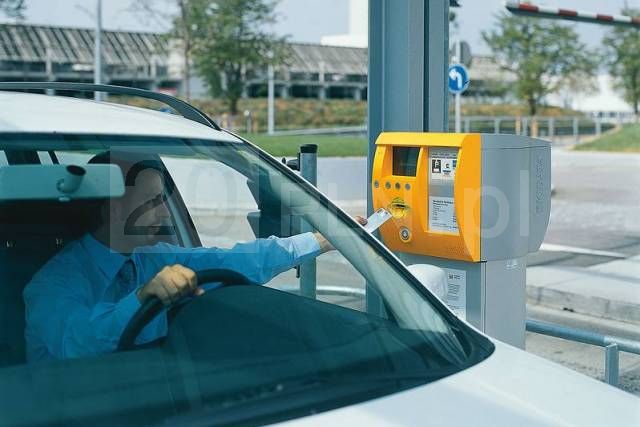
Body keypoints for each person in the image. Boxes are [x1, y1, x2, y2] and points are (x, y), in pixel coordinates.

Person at [24, 151, 365, 362]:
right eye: (153, 201)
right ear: (113, 207)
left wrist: (322, 240)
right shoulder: (52, 284)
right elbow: (79, 345)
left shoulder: (153, 258)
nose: (164, 214)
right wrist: (143, 298)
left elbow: (237, 260)